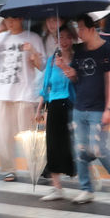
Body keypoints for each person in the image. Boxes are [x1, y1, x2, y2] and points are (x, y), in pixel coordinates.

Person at [57, 15, 110, 204]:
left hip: (99, 108)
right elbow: (76, 77)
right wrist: (65, 69)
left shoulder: (108, 49)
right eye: (78, 28)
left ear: (92, 29)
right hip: (80, 107)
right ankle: (87, 189)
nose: (79, 32)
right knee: (80, 150)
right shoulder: (79, 51)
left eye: (81, 28)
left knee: (97, 148)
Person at [0, 16, 45, 181]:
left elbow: (41, 65)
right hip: (2, 93)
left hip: (24, 92)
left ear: (22, 19)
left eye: (14, 19)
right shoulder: (1, 37)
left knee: (29, 133)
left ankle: (36, 167)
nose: (10, 22)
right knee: (3, 135)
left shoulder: (33, 37)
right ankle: (8, 169)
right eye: (7, 19)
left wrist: (32, 52)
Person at [36, 24, 76, 201]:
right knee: (52, 144)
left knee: (71, 144)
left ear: (72, 39)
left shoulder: (76, 57)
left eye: (67, 37)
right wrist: (39, 108)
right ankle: (57, 187)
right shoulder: (53, 58)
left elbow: (76, 80)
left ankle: (87, 178)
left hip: (70, 104)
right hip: (53, 105)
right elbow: (46, 86)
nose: (64, 41)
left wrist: (65, 66)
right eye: (60, 38)